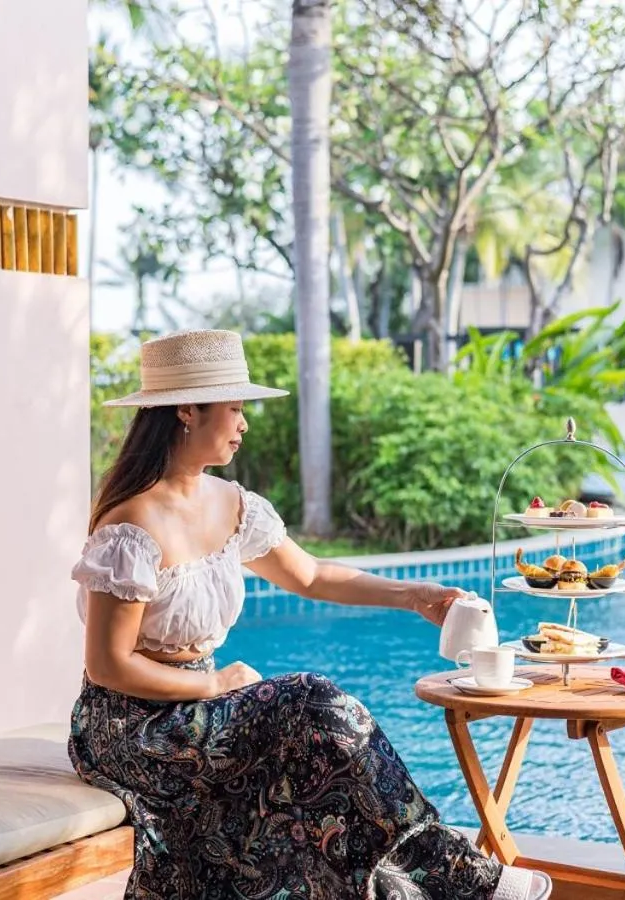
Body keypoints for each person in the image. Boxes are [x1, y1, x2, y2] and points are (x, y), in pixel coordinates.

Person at [68, 329, 552, 900]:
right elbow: (107, 665)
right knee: (307, 699)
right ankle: (460, 877)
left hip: (205, 711)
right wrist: (214, 685)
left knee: (318, 758)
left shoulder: (232, 504)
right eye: (235, 407)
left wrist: (414, 595)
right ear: (186, 411)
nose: (244, 423)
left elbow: (313, 575)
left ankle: (411, 886)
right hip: (132, 727)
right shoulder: (130, 527)